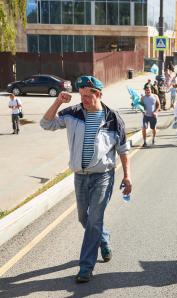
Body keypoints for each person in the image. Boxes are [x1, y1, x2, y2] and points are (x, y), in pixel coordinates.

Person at [40, 76, 132, 283]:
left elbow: (124, 151)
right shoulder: (73, 113)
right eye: (81, 96)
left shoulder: (113, 118)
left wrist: (127, 176)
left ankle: (86, 267)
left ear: (99, 94)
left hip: (103, 176)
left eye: (88, 96)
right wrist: (57, 102)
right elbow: (46, 124)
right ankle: (104, 239)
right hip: (80, 176)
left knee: (94, 220)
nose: (84, 101)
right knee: (84, 217)